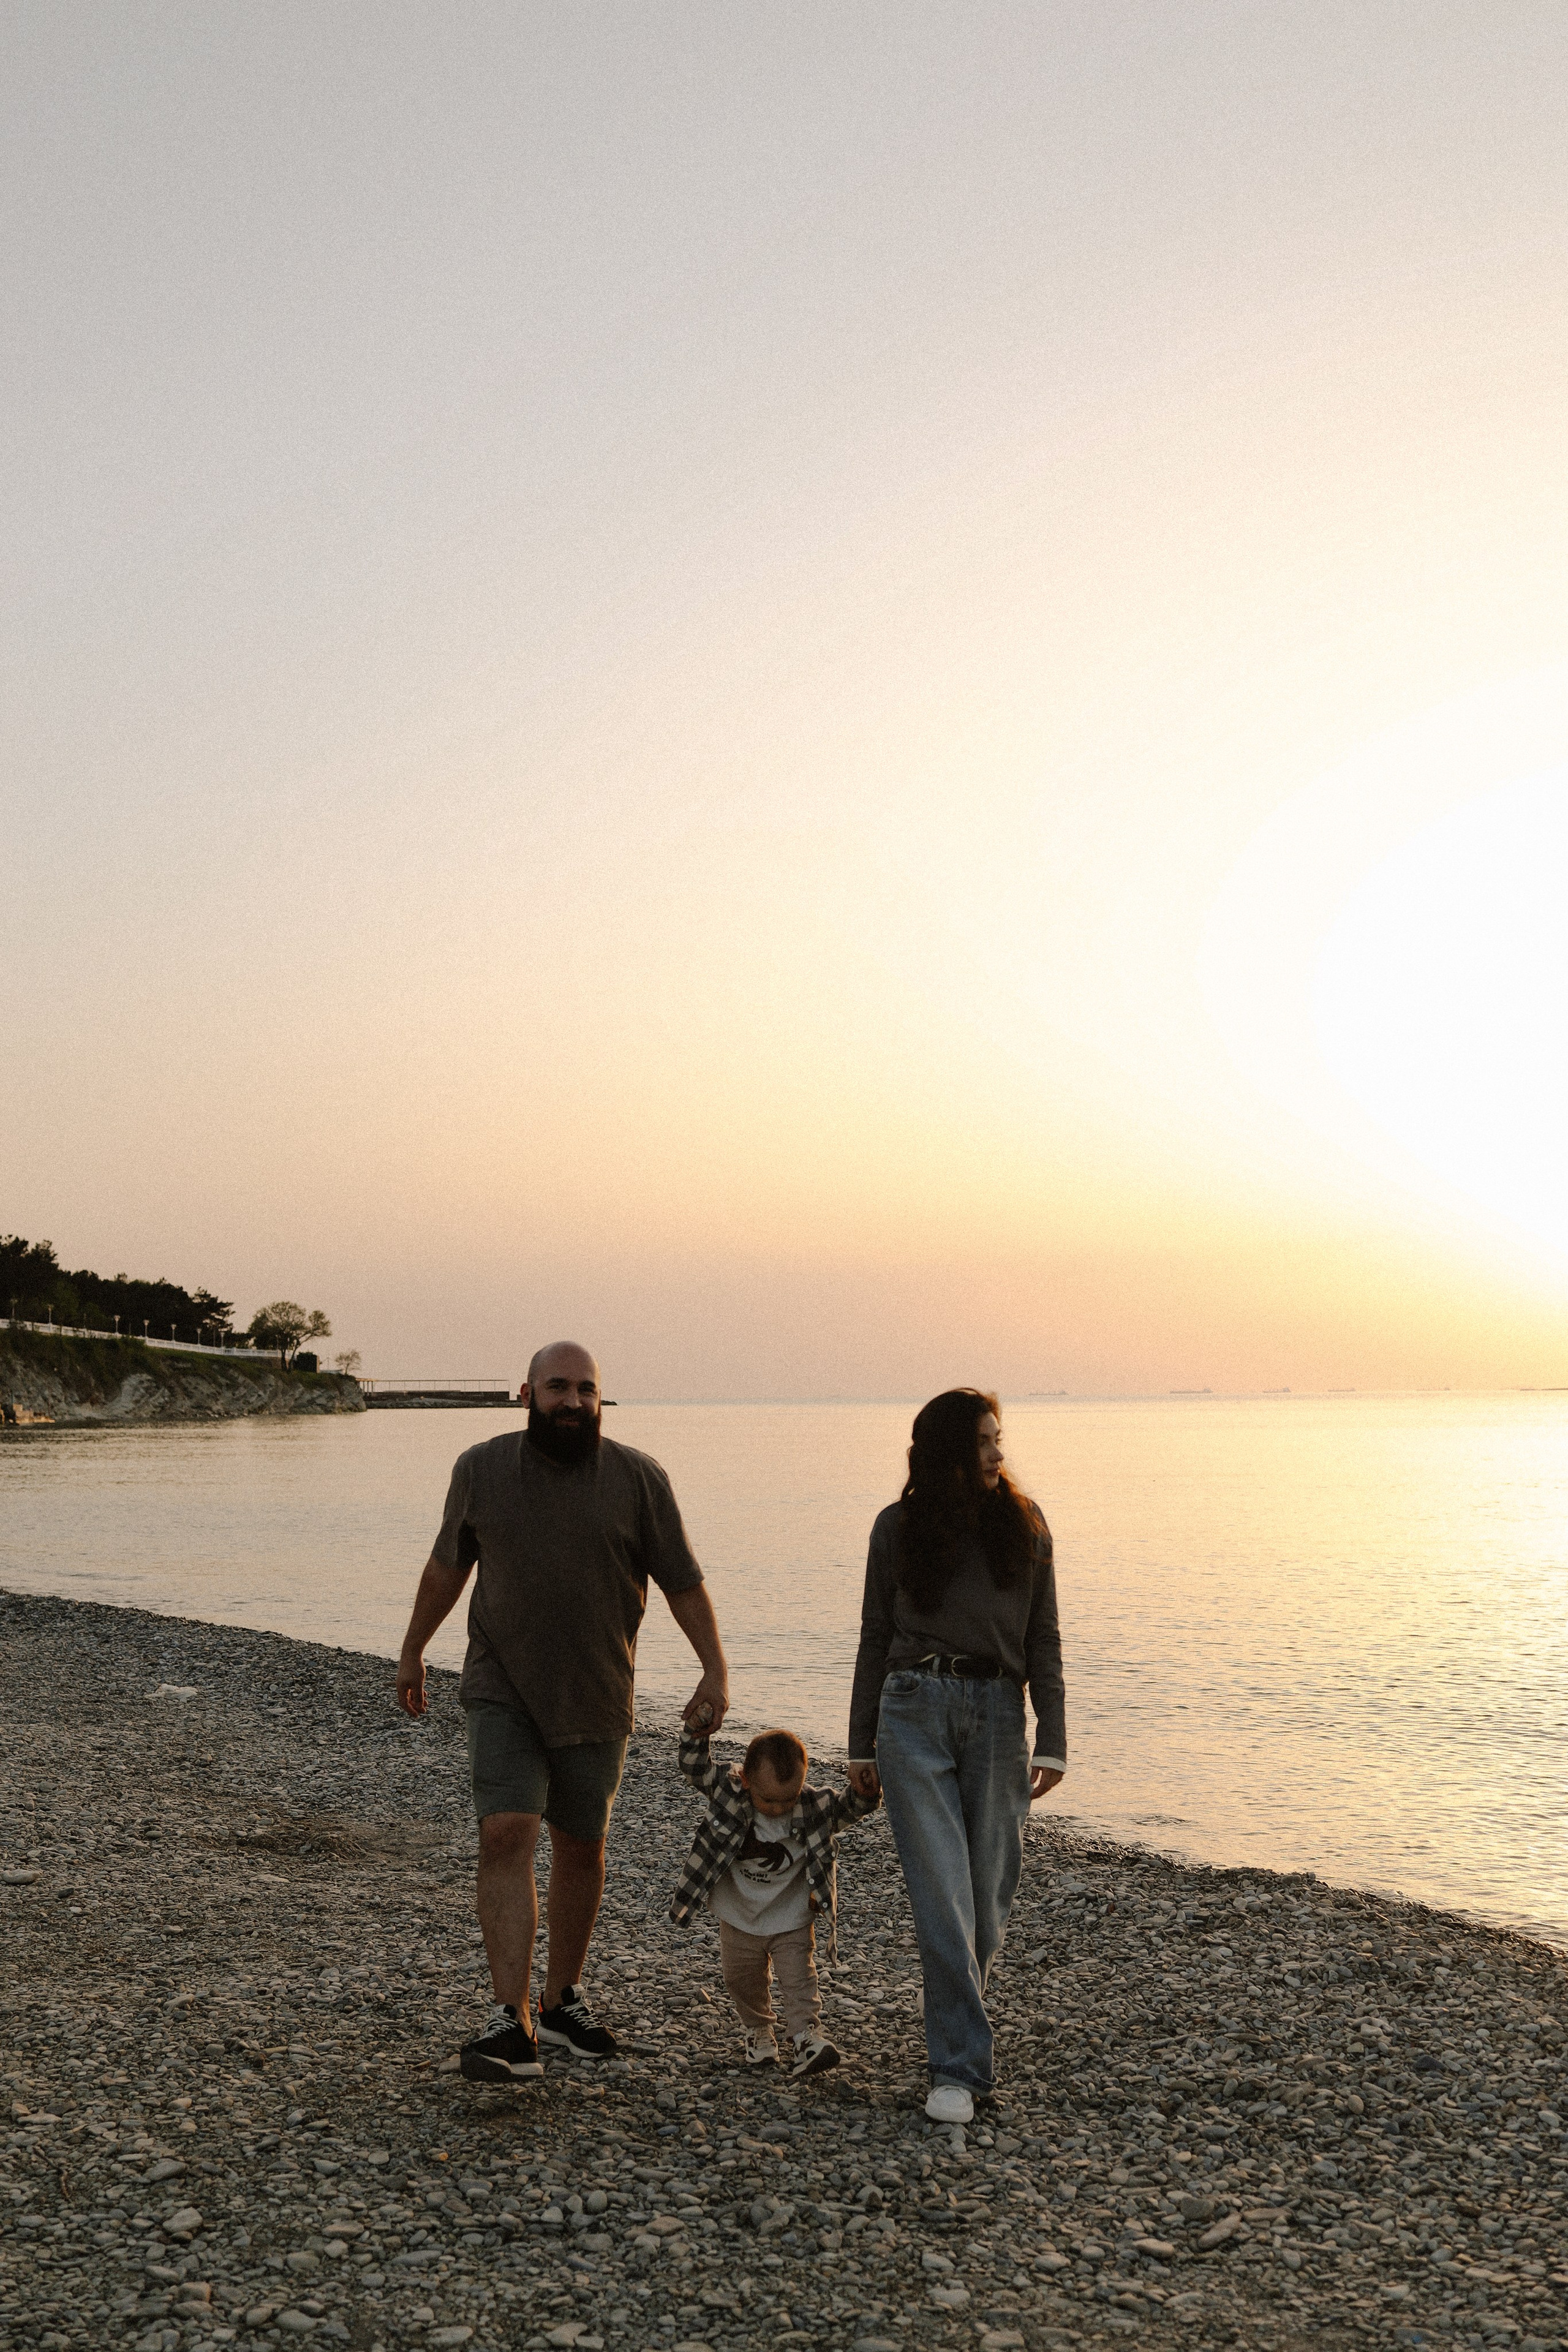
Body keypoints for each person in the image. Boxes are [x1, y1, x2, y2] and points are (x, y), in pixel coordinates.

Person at [396, 1340, 728, 2083]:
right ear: (526, 1395)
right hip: (501, 1683)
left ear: (599, 1398)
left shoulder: (639, 1478)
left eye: (585, 1389)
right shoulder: (481, 1468)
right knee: (506, 1831)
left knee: (581, 1847)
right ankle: (509, 2017)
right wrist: (413, 1649)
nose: (572, 1402)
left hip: (598, 1690)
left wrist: (713, 1668)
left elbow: (681, 1580)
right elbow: (448, 1566)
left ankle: (560, 2002)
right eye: (557, 1387)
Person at [846, 1388, 1064, 2124]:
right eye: (982, 1441)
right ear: (947, 1452)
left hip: (999, 1715)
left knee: (987, 1906)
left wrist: (1054, 1736)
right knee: (942, 1896)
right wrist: (858, 1743)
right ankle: (957, 2069)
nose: (998, 1453)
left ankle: (958, 2040)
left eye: (999, 1439)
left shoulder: (1026, 1525)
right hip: (912, 1712)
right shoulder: (897, 1528)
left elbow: (1043, 1636)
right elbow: (875, 1634)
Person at [669, 1722, 879, 2076]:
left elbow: (848, 1808)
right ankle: (759, 2029)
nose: (779, 1809)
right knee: (742, 1980)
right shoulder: (730, 1792)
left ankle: (806, 2037)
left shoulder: (813, 1806)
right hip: (739, 1915)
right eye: (768, 1800)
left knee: (799, 1979)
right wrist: (697, 1729)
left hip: (791, 1917)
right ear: (746, 1779)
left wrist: (866, 1789)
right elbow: (695, 1767)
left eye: (789, 1799)